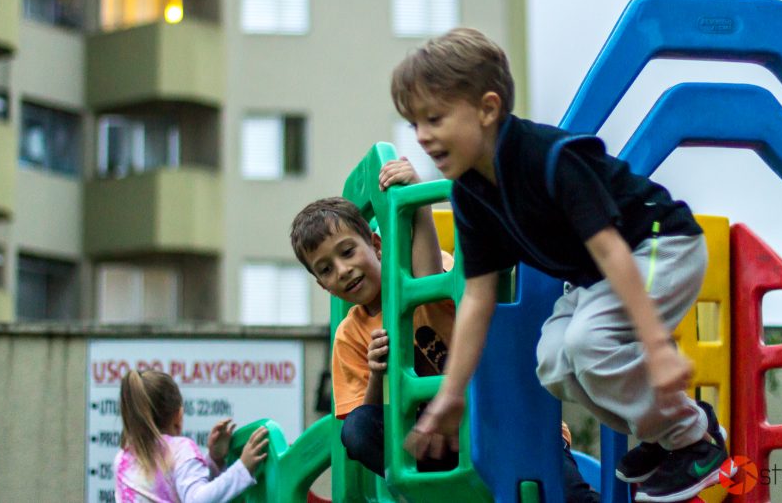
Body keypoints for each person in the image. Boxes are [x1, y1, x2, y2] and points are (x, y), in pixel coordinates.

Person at [391, 28, 731, 503]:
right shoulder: (472, 195)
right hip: (598, 278)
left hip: (658, 247)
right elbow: (477, 297)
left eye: (435, 119)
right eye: (415, 125)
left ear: (488, 109)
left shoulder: (549, 160)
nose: (424, 137)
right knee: (554, 362)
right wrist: (452, 392)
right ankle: (664, 435)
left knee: (587, 342)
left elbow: (612, 250)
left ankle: (694, 437)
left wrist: (656, 345)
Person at [290, 159, 600, 502]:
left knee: (569, 495)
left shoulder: (421, 280)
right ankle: (436, 492)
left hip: (508, 421)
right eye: (326, 269)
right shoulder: (351, 335)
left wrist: (419, 198)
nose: (343, 270)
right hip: (441, 439)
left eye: (347, 252)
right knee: (359, 429)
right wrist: (378, 373)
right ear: (322, 285)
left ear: (377, 246)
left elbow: (429, 274)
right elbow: (361, 419)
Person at [114, 369, 269, 503]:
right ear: (178, 416)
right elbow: (196, 499)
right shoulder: (179, 449)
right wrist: (243, 469)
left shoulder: (123, 459)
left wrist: (214, 460)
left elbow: (173, 483)